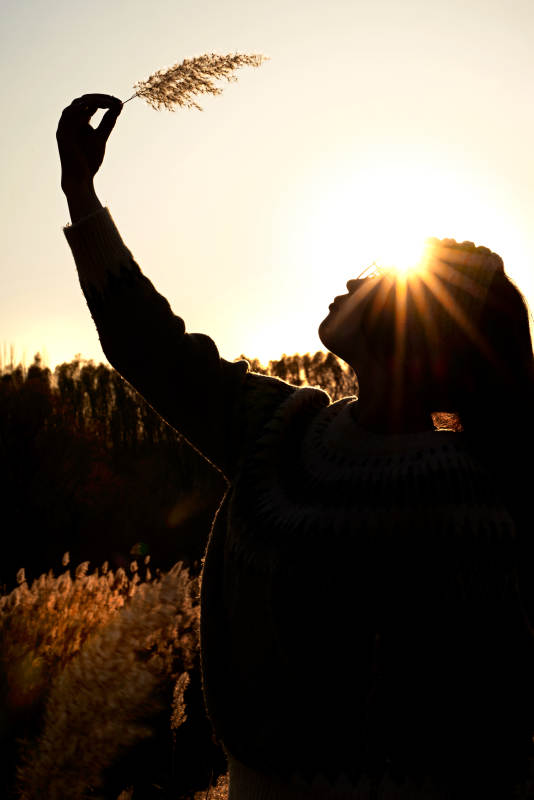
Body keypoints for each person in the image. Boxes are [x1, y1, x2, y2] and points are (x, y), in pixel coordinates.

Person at [57, 95, 534, 799]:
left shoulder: (475, 501)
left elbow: (493, 726)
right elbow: (150, 347)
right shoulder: (282, 430)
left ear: (417, 332)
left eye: (379, 277)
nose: (352, 279)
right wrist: (81, 192)